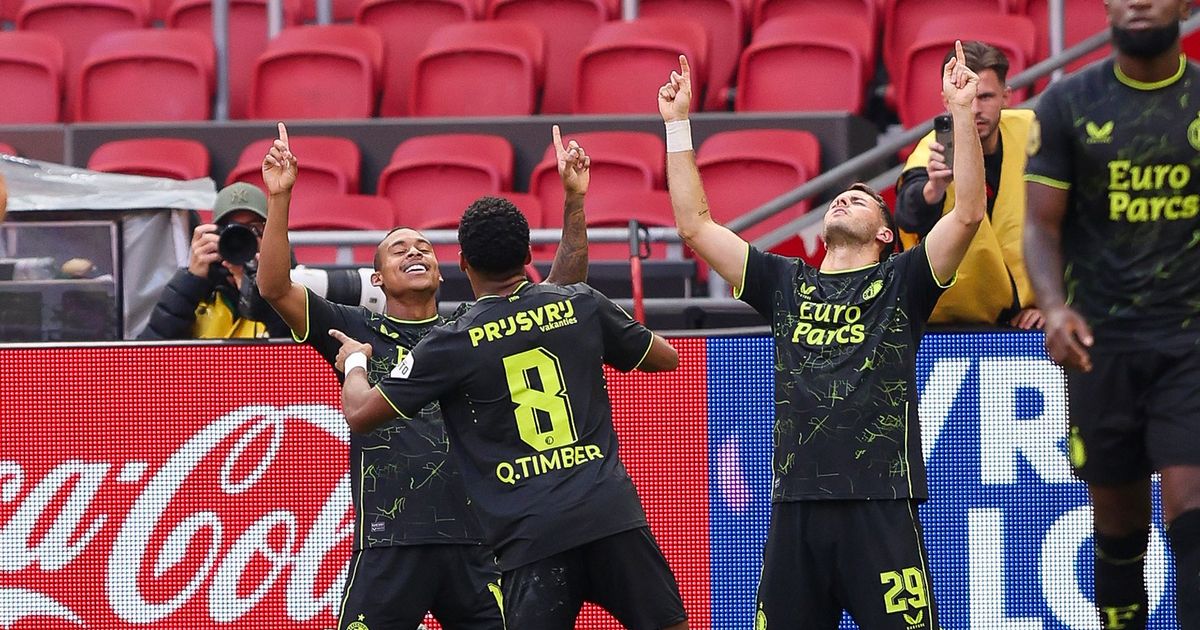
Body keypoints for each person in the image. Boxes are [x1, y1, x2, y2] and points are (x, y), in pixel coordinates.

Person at [658, 44, 983, 629]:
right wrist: (678, 125)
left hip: (881, 504)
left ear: (886, 233)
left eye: (861, 198)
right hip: (796, 505)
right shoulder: (783, 281)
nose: (845, 196)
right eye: (840, 194)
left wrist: (961, 111)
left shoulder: (904, 280)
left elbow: (965, 216)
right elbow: (695, 226)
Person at [258, 122, 593, 630]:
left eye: (424, 248)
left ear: (444, 270)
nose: (415, 252)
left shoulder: (471, 328)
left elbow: (561, 289)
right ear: (377, 279)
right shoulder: (353, 328)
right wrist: (279, 197)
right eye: (399, 249)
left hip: (480, 544)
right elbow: (275, 286)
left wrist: (574, 200)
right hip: (391, 545)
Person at [333, 197, 687, 630]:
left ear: (461, 263)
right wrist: (574, 203)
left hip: (531, 536)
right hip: (611, 518)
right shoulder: (581, 305)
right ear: (527, 256)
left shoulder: (451, 342)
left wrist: (354, 363)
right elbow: (666, 358)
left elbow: (360, 413)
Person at [1024, 0, 1200, 626]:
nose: (1139, 1)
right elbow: (1041, 227)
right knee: (1120, 522)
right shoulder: (1067, 103)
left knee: (1193, 509)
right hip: (1102, 341)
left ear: (1185, 5)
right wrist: (1053, 307)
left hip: (1191, 339)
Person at [895, 40, 1041, 329]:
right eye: (966, 98)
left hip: (1025, 321)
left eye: (985, 96)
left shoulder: (1034, 131)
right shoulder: (931, 150)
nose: (975, 109)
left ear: (1006, 96)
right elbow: (907, 214)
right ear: (947, 100)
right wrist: (933, 189)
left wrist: (1054, 305)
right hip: (945, 324)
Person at [140, 181, 289, 339]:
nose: (241, 240)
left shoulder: (294, 289)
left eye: (253, 229)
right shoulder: (197, 294)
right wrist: (189, 283)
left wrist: (263, 294)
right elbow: (146, 358)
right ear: (216, 235)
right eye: (232, 230)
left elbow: (306, 353)